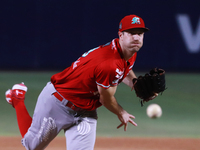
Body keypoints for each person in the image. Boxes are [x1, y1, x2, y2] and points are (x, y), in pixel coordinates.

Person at [5, 14, 152, 150]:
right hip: (58, 102)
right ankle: (17, 99)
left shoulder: (129, 52)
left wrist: (135, 83)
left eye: (140, 34)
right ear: (120, 35)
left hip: (85, 111)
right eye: (132, 33)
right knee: (32, 146)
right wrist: (121, 112)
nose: (136, 38)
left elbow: (124, 70)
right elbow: (106, 99)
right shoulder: (109, 64)